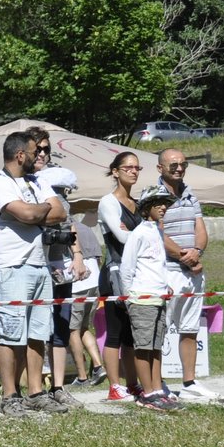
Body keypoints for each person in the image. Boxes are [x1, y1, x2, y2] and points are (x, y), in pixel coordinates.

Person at [0, 131, 67, 418]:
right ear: (20, 155)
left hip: (39, 265)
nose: (39, 155)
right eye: (35, 151)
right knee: (10, 333)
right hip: (11, 266)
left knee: (38, 332)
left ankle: (35, 392)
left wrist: (37, 209)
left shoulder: (38, 180)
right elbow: (29, 215)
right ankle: (9, 396)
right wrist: (41, 208)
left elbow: (61, 213)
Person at [26, 129, 86, 409]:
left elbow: (68, 221)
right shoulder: (21, 183)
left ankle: (59, 387)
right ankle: (31, 389)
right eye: (36, 149)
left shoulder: (58, 182)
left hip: (61, 262)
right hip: (34, 262)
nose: (41, 154)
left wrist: (78, 255)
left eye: (45, 149)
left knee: (61, 326)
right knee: (34, 328)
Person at [154, 148, 215, 401]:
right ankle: (158, 383)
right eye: (173, 165)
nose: (179, 168)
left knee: (189, 328)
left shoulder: (191, 194)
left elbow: (200, 229)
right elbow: (158, 233)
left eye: (183, 164)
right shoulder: (153, 196)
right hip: (168, 270)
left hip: (193, 270)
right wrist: (183, 256)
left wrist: (197, 252)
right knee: (161, 328)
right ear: (160, 168)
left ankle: (189, 382)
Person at [121, 190, 178, 410]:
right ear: (147, 208)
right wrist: (129, 298)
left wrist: (166, 285)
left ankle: (157, 388)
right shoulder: (139, 233)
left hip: (158, 297)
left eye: (165, 204)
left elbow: (156, 266)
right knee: (143, 347)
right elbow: (127, 268)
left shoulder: (157, 231)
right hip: (141, 298)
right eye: (158, 204)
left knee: (156, 347)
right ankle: (147, 392)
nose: (163, 208)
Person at [97, 151, 143, 401]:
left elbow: (135, 235)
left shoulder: (137, 203)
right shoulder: (108, 202)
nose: (133, 171)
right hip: (114, 273)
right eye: (128, 167)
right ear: (116, 171)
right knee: (115, 331)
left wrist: (136, 231)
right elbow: (122, 236)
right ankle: (114, 385)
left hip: (136, 274)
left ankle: (133, 383)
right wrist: (141, 232)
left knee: (131, 333)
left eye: (137, 168)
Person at [68, 210, 106, 385]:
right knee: (83, 328)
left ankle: (82, 376)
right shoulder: (86, 228)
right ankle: (98, 366)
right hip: (94, 282)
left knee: (73, 330)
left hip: (77, 283)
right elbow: (98, 257)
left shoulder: (66, 227)